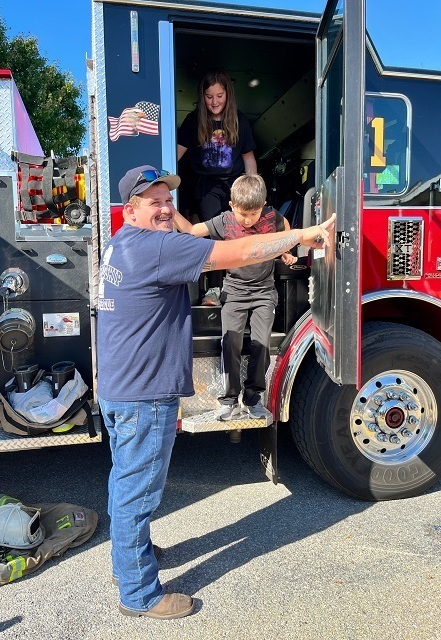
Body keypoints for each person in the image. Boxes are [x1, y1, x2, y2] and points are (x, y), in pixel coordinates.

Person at [96, 164, 335, 620]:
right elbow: (240, 251)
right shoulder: (157, 247)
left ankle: (132, 554)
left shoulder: (122, 242)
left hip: (121, 388)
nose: (166, 208)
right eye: (154, 201)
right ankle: (139, 594)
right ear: (130, 209)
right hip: (143, 395)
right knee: (137, 491)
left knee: (126, 480)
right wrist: (298, 236)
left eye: (169, 199)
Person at [174, 173, 296, 420]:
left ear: (263, 205)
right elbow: (190, 230)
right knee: (231, 344)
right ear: (232, 206)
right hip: (235, 291)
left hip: (263, 291)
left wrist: (286, 250)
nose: (249, 220)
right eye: (243, 214)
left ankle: (253, 399)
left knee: (261, 344)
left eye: (254, 214)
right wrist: (168, 205)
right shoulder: (224, 221)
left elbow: (286, 229)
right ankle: (229, 400)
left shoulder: (272, 216)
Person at [177, 69, 257, 305]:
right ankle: (212, 290)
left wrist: (254, 190)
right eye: (209, 96)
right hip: (206, 186)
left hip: (234, 187)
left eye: (219, 96)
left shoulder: (239, 120)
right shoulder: (193, 121)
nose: (214, 102)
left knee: (236, 234)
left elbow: (248, 157)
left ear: (228, 95)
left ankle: (236, 289)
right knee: (211, 236)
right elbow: (176, 154)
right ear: (202, 97)